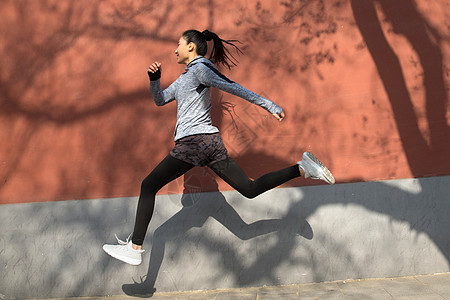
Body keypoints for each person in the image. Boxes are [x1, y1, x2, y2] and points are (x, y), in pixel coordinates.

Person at [103, 29, 335, 266]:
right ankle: (302, 168)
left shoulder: (201, 69)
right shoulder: (186, 77)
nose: (175, 49)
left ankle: (135, 246)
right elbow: (160, 99)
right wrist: (155, 79)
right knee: (249, 189)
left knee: (148, 184)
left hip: (194, 142)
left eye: (179, 44)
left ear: (191, 46)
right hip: (208, 145)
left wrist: (269, 105)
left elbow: (232, 86)